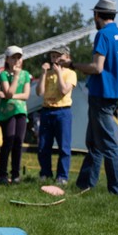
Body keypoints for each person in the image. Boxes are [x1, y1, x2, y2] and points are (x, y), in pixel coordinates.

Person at [73, 0, 118, 196]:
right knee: (94, 142)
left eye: (94, 15)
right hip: (113, 93)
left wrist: (73, 65)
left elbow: (97, 68)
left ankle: (117, 191)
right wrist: (112, 72)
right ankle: (84, 184)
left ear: (97, 15)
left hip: (100, 94)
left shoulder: (103, 35)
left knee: (108, 145)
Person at [36, 45, 76, 185]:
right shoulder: (47, 74)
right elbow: (39, 92)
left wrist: (59, 73)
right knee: (43, 146)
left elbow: (64, 90)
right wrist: (43, 73)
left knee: (64, 147)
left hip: (62, 112)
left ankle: (62, 176)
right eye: (52, 56)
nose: (55, 59)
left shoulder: (70, 73)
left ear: (67, 58)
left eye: (58, 56)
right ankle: (45, 173)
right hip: (47, 111)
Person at [0, 46, 32, 185]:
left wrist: (9, 96)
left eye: (19, 57)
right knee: (8, 142)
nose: (17, 60)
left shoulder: (26, 74)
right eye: (14, 58)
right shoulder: (4, 75)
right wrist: (15, 77)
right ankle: (3, 174)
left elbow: (26, 95)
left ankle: (15, 174)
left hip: (21, 112)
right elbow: (9, 92)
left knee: (18, 142)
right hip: (7, 113)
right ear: (7, 59)